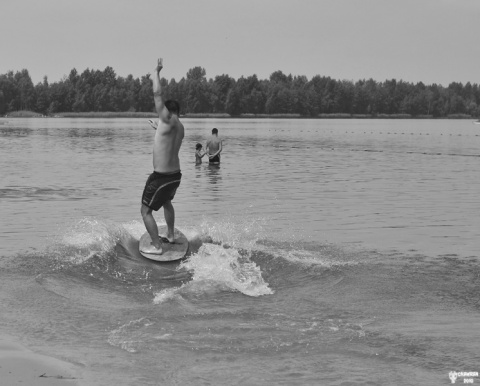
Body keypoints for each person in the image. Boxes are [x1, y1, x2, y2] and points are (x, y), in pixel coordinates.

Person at [140, 58, 184, 255]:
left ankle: (157, 247)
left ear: (167, 111)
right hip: (175, 176)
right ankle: (171, 235)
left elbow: (157, 93)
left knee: (145, 211)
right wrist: (159, 129)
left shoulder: (166, 119)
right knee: (166, 202)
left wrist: (156, 72)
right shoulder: (180, 127)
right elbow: (168, 144)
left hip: (162, 177)